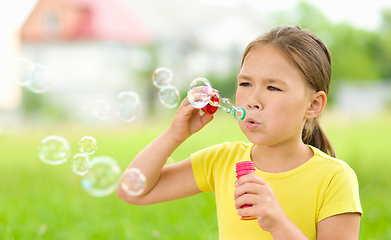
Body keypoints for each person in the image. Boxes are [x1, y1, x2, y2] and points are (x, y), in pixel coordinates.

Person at [116, 25, 362, 239]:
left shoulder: (334, 179)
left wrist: (277, 222)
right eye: (245, 83)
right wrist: (174, 135)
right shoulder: (222, 161)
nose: (253, 100)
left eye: (273, 87)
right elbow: (132, 191)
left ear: (313, 105)